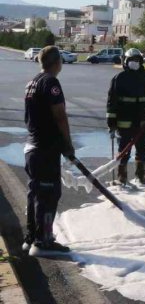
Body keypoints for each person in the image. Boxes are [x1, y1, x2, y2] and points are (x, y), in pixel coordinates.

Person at [23, 46, 75, 256]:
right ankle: (43, 242)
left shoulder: (32, 82)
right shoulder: (51, 82)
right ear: (57, 62)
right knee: (48, 194)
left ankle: (31, 237)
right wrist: (68, 144)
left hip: (32, 147)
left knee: (35, 193)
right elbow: (60, 116)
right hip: (45, 149)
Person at [107, 48, 145, 185]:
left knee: (144, 148)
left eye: (137, 60)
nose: (134, 63)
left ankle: (140, 176)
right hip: (124, 119)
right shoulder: (119, 78)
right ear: (126, 61)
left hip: (141, 119)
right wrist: (111, 122)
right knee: (124, 150)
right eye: (132, 60)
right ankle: (122, 177)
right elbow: (112, 101)